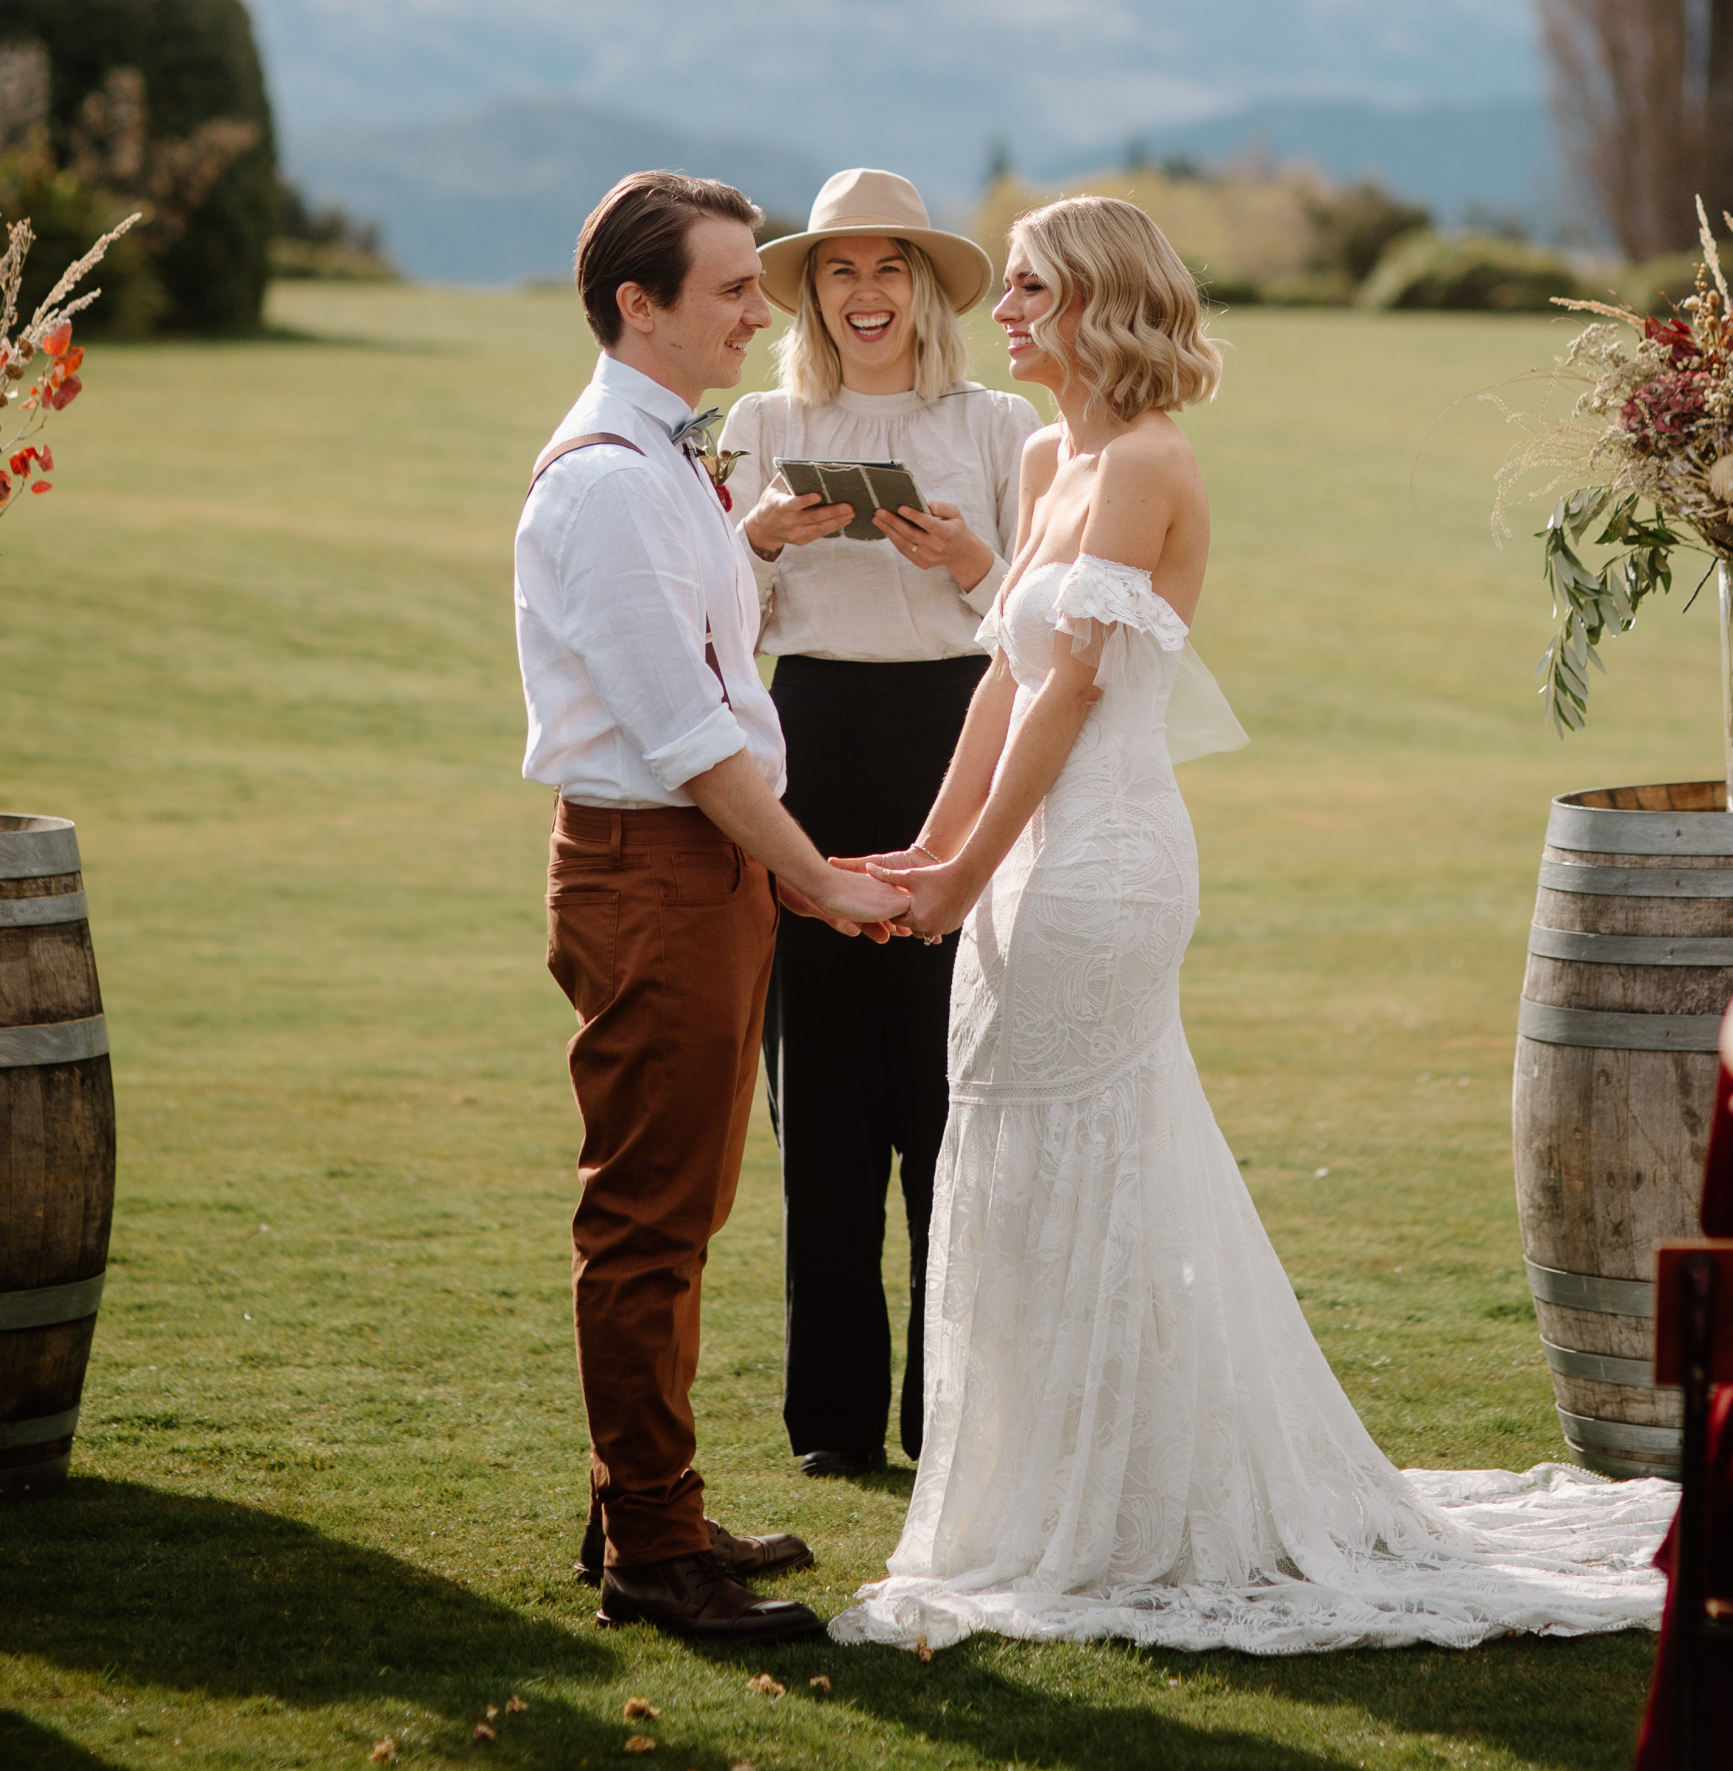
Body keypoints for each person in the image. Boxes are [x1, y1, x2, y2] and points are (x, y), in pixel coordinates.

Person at [831, 194, 1675, 1654]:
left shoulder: (1149, 464)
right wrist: (936, 843)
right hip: (1027, 855)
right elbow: (999, 679)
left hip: (1105, 864)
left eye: (1029, 288)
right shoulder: (1049, 458)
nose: (1005, 312)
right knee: (1017, 1156)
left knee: (1090, 1152)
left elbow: (1078, 690)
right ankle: (1055, 1491)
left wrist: (965, 878)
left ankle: (1132, 1508)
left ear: (1097, 302)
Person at [513, 170, 908, 1648]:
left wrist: (747, 545)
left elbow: (686, 638)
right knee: (648, 1218)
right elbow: (680, 736)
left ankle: (645, 1505)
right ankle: (654, 1556)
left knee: (684, 1203)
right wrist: (810, 874)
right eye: (735, 287)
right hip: (654, 867)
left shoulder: (665, 465)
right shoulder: (610, 479)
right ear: (640, 303)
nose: (764, 310)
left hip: (697, 867)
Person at [722, 169, 1040, 1480]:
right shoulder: (754, 421)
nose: (865, 293)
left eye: (888, 268)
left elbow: (1056, 620)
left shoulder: (999, 423)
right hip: (813, 752)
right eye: (839, 271)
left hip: (959, 747)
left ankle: (952, 1422)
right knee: (825, 1106)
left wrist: (967, 561)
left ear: (923, 287)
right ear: (809, 291)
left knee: (951, 1095)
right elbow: (707, 633)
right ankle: (835, 1430)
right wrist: (753, 540)